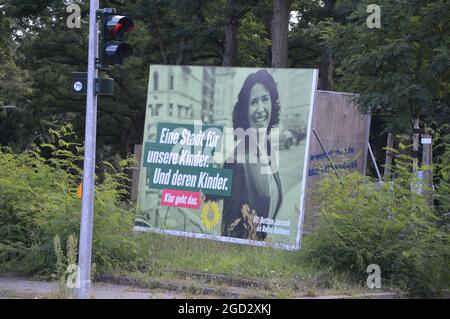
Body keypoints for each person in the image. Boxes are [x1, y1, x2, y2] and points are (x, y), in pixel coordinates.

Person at [221, 69, 283, 241]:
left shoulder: (269, 150)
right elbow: (230, 227)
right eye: (253, 102)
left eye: (265, 99)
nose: (261, 109)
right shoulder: (237, 160)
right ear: (244, 110)